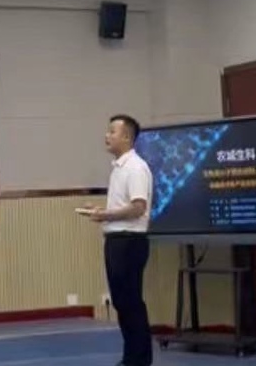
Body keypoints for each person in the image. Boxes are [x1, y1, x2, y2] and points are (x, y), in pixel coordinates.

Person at [89, 115, 154, 366]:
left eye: (112, 132)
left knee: (130, 301)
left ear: (126, 137)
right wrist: (101, 211)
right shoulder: (118, 168)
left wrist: (105, 215)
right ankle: (131, 357)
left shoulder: (136, 167)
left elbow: (138, 207)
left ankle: (139, 359)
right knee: (121, 302)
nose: (107, 136)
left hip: (129, 241)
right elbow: (123, 206)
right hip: (116, 240)